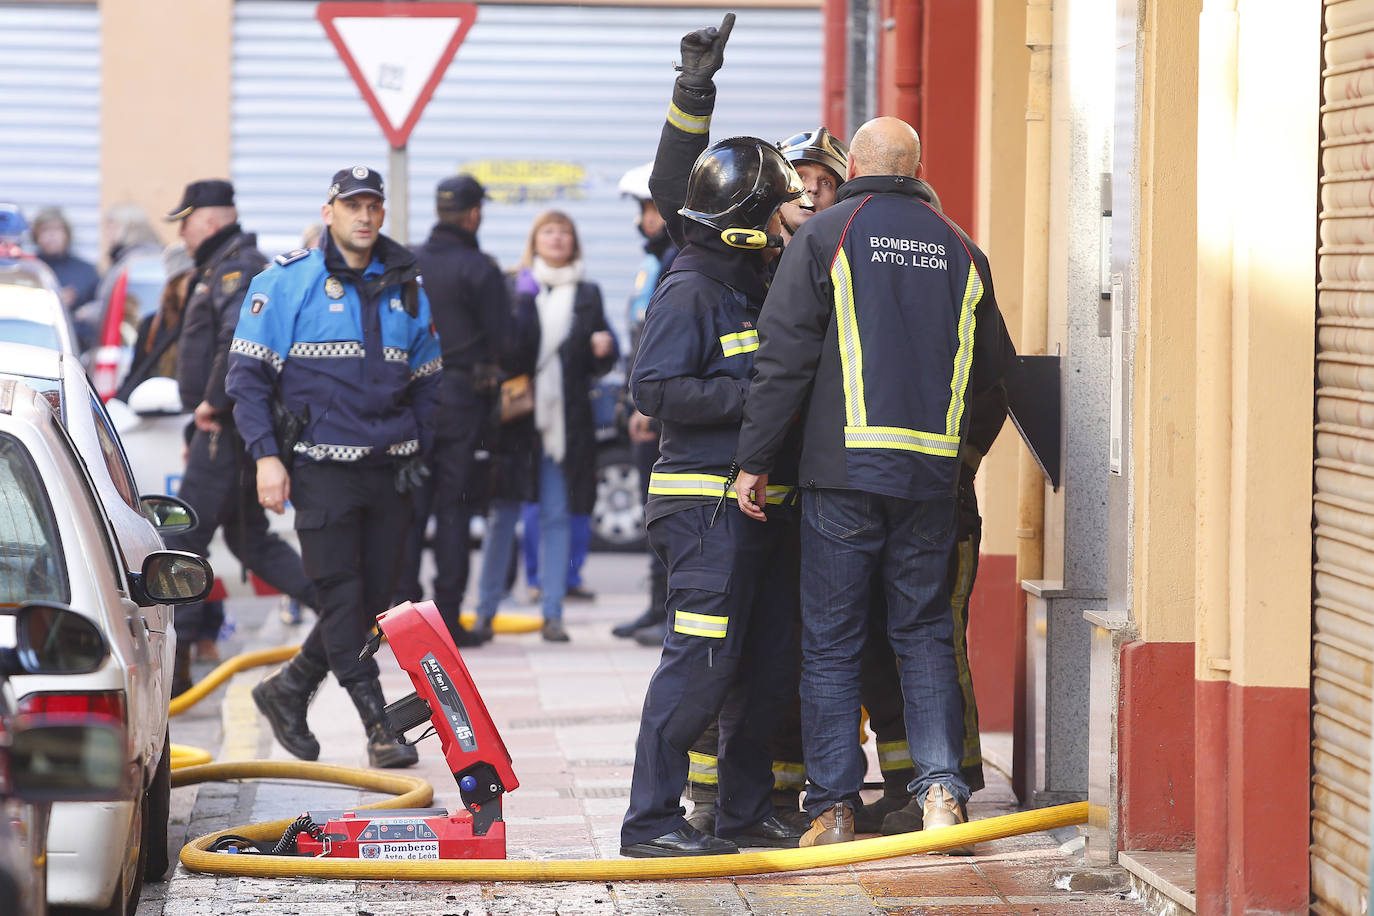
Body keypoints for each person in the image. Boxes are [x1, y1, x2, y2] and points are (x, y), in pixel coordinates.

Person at [733, 117, 1014, 847]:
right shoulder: (962, 250)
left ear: (851, 163)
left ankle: (831, 806)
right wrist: (961, 459)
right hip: (928, 483)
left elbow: (783, 357)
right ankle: (942, 794)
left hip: (842, 474)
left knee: (831, 640)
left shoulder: (828, 237)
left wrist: (755, 460)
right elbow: (997, 380)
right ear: (917, 166)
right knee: (922, 634)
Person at [226, 165, 440, 768]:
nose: (365, 216)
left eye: (373, 205)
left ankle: (287, 690)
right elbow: (245, 379)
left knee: (378, 602)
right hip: (320, 468)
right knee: (340, 593)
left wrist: (419, 441)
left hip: (391, 471)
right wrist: (268, 458)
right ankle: (380, 727)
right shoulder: (286, 282)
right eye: (353, 206)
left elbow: (428, 378)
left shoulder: (407, 283)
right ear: (330, 213)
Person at [159, 179, 319, 698]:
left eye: (184, 222)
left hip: (225, 431)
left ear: (207, 219)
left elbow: (236, 342)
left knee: (182, 545)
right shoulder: (223, 264)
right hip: (232, 429)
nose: (181, 234)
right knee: (252, 542)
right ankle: (350, 615)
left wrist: (211, 400)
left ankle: (175, 671)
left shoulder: (235, 267)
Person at [470, 210, 618, 643]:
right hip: (515, 422)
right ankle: (485, 611)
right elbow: (498, 346)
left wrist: (602, 350)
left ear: (575, 243)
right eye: (548, 232)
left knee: (556, 516)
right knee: (502, 517)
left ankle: (552, 612)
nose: (556, 239)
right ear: (534, 241)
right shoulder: (514, 284)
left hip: (562, 424)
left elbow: (599, 360)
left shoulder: (588, 294)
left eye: (564, 232)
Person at [395, 174, 509, 648]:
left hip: (408, 402)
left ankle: (403, 616)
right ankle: (448, 619)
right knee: (454, 513)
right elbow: (508, 342)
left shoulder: (406, 263)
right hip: (462, 403)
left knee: (409, 513)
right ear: (474, 213)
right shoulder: (479, 267)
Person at [610, 161, 676, 643]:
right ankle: (656, 607)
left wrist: (647, 408)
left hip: (657, 413)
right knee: (650, 512)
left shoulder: (675, 257)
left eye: (648, 208)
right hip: (644, 407)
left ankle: (667, 612)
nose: (641, 219)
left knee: (664, 513)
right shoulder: (653, 260)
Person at [116, 241, 194, 401]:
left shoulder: (206, 322)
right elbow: (137, 375)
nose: (198, 284)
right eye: (190, 277)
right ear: (175, 282)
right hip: (158, 412)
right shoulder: (153, 325)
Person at [30, 207, 99, 311]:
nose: (52, 235)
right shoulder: (28, 268)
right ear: (36, 236)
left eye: (57, 229)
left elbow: (99, 308)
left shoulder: (86, 271)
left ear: (67, 234)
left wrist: (77, 300)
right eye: (45, 229)